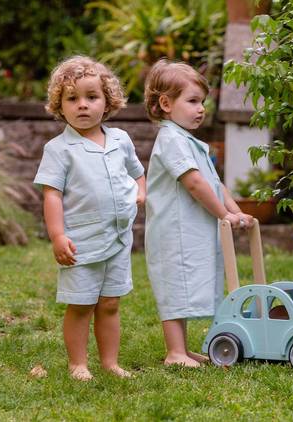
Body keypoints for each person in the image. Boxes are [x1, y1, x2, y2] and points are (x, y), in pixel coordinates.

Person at [33, 56, 145, 381]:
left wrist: (141, 190)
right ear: (60, 105)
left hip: (119, 238)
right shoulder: (59, 149)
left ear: (107, 101)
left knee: (110, 303)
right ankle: (77, 364)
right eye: (72, 98)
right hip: (80, 242)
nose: (82, 105)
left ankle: (110, 363)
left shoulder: (121, 140)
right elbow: (51, 194)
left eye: (91, 97)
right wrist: (57, 236)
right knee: (81, 305)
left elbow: (138, 173)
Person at [143, 59, 253, 367]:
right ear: (166, 103)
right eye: (192, 101)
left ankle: (183, 349)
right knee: (175, 287)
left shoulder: (191, 142)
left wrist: (237, 212)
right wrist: (223, 215)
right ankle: (174, 352)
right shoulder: (170, 140)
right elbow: (193, 183)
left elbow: (215, 184)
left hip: (191, 229)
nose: (201, 109)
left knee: (187, 284)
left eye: (202, 102)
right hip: (173, 230)